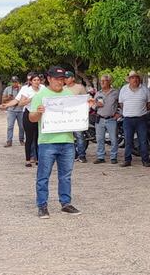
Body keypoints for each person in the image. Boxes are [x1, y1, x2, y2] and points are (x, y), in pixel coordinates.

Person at [30, 65, 90, 218]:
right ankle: (42, 206)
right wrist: (39, 112)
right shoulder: (41, 95)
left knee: (66, 175)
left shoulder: (68, 93)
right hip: (47, 142)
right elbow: (32, 118)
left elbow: (75, 112)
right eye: (57, 79)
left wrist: (86, 106)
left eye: (62, 79)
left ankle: (66, 203)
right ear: (49, 79)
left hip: (67, 141)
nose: (60, 82)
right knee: (43, 176)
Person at [1, 72, 44, 167]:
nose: (36, 82)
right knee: (29, 138)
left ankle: (38, 159)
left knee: (38, 138)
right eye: (34, 80)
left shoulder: (43, 89)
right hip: (29, 113)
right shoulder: (26, 89)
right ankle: (28, 159)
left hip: (40, 115)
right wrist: (7, 105)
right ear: (30, 81)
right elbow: (18, 101)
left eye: (38, 80)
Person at [118, 70, 150, 167]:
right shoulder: (124, 89)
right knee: (128, 141)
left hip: (141, 118)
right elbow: (121, 104)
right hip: (128, 119)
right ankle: (127, 160)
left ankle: (145, 160)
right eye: (132, 78)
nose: (135, 80)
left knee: (143, 140)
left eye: (137, 78)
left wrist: (141, 109)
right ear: (129, 80)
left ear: (139, 79)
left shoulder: (145, 89)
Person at [92, 74, 120, 164]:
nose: (102, 82)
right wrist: (96, 105)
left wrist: (119, 113)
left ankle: (113, 157)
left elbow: (122, 103)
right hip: (100, 119)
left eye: (105, 81)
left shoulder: (115, 93)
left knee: (114, 139)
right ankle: (100, 157)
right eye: (101, 81)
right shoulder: (98, 93)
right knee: (100, 139)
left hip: (111, 119)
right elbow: (92, 106)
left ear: (109, 82)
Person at [65, 71, 89, 162]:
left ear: (73, 78)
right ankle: (73, 154)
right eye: (65, 78)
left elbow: (86, 99)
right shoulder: (62, 89)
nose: (65, 79)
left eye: (67, 77)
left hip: (77, 116)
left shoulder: (80, 87)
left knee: (79, 136)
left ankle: (82, 155)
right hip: (66, 117)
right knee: (68, 136)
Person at [0, 76, 25, 147]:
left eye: (16, 82)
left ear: (18, 82)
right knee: (10, 126)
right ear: (11, 82)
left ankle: (21, 140)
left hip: (20, 110)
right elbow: (3, 100)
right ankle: (9, 141)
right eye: (13, 82)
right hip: (11, 110)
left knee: (22, 126)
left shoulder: (22, 89)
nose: (14, 83)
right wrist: (8, 97)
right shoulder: (7, 89)